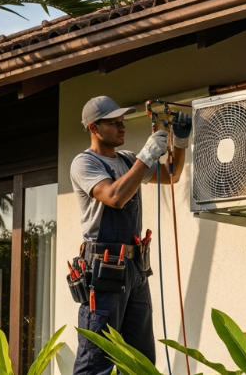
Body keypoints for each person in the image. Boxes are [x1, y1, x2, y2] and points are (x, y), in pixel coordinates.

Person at [70, 96, 190, 375]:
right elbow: (114, 196)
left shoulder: (126, 159)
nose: (121, 127)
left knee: (140, 361)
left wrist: (180, 143)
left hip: (135, 269)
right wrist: (146, 155)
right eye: (113, 123)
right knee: (95, 360)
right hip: (104, 270)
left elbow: (171, 175)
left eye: (122, 122)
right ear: (93, 128)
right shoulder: (84, 163)